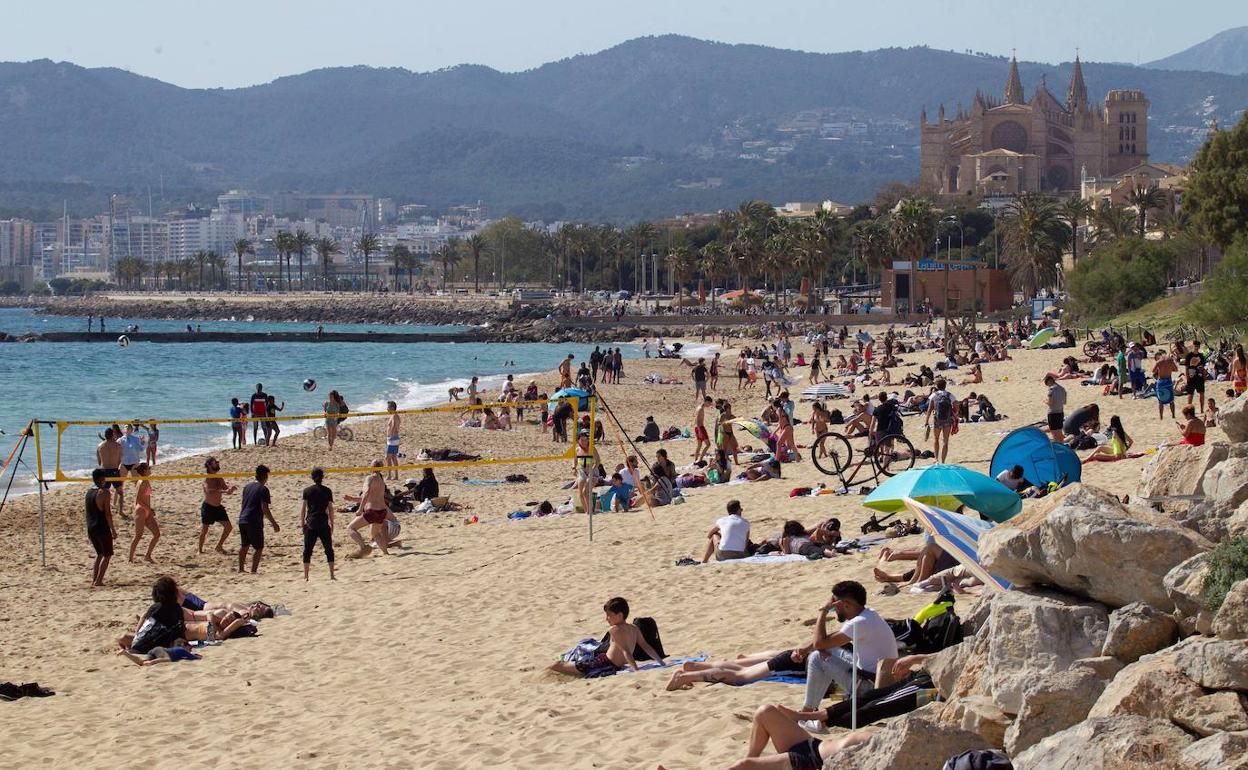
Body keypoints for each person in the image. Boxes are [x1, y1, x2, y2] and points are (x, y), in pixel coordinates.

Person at [799, 581, 899, 725]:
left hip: (870, 686)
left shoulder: (859, 622)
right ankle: (815, 706)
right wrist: (806, 648)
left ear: (845, 604)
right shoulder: (868, 614)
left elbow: (819, 644)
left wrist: (823, 611)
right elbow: (838, 635)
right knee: (827, 650)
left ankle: (806, 713)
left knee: (817, 657)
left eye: (835, 604)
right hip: (877, 677)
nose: (834, 609)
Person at [548, 597, 664, 677]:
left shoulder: (615, 630)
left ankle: (550, 668)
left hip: (603, 662)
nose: (606, 619)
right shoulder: (634, 628)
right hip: (608, 661)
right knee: (565, 666)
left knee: (557, 665)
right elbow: (646, 647)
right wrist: (660, 661)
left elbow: (626, 651)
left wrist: (636, 670)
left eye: (609, 616)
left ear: (619, 615)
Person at [723, 707, 872, 770]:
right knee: (764, 712)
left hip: (810, 763)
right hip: (812, 744)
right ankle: (753, 760)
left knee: (744, 765)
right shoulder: (885, 739)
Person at [237, 464, 280, 573]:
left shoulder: (247, 487)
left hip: (242, 518)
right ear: (265, 476)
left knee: (244, 545)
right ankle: (253, 571)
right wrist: (274, 523)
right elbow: (264, 508)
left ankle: (241, 569)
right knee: (259, 547)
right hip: (253, 520)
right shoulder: (263, 489)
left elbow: (243, 504)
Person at [300, 467, 336, 581]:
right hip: (323, 523)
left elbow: (303, 509)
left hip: (311, 523)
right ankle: (331, 575)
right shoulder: (327, 490)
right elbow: (330, 509)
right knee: (328, 549)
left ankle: (306, 576)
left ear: (312, 477)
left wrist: (302, 523)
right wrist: (332, 523)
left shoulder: (307, 490)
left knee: (307, 550)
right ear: (322, 477)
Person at [86, 468, 117, 587]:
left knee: (99, 554)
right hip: (101, 527)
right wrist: (113, 530)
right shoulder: (104, 492)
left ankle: (94, 579)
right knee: (107, 554)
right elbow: (108, 513)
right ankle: (98, 580)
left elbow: (88, 512)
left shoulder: (89, 492)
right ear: (101, 479)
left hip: (91, 527)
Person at [198, 457, 236, 554]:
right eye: (215, 463)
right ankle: (200, 550)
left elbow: (227, 490)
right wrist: (223, 491)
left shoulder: (219, 478)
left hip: (218, 507)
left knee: (228, 527)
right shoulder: (206, 479)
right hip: (208, 507)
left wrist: (230, 490)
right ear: (209, 466)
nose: (218, 464)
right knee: (204, 530)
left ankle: (219, 546)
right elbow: (209, 491)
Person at [127, 462, 159, 563]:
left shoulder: (145, 480)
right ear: (145, 471)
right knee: (138, 536)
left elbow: (145, 498)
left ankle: (148, 556)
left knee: (157, 534)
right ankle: (130, 558)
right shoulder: (142, 482)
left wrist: (150, 509)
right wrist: (148, 509)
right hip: (141, 511)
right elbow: (138, 500)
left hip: (146, 509)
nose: (150, 469)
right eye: (148, 468)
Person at [925, 379, 955, 463]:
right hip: (947, 420)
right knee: (945, 441)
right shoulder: (949, 395)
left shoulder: (934, 395)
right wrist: (954, 414)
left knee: (936, 439)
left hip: (937, 420)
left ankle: (936, 459)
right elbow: (956, 405)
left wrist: (926, 420)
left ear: (937, 387)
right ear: (945, 386)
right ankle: (943, 461)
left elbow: (930, 409)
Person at [574, 430, 600, 514]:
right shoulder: (577, 450)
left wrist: (592, 471)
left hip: (592, 471)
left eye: (586, 440)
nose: (584, 442)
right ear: (578, 440)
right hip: (582, 471)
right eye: (582, 440)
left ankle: (590, 511)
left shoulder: (592, 448)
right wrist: (573, 468)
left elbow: (598, 461)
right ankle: (587, 512)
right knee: (581, 493)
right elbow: (574, 460)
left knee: (586, 491)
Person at [1154, 350, 1179, 420]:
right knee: (1171, 401)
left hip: (1161, 382)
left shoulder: (1159, 362)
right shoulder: (1170, 361)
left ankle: (1161, 417)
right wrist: (1170, 369)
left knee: (1160, 401)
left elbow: (1153, 370)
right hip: (1168, 381)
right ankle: (1173, 415)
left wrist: (1159, 369)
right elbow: (1176, 369)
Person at [1184, 340, 1208, 412]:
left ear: (1199, 347)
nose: (1196, 348)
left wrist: (1204, 376)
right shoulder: (1189, 356)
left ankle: (1201, 409)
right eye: (1195, 346)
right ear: (1193, 346)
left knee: (1201, 393)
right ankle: (1189, 409)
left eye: (1197, 346)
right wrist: (1187, 377)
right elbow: (1186, 367)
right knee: (1190, 394)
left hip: (1199, 377)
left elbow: (1203, 367)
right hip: (1191, 377)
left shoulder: (1201, 356)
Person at [1044, 374, 1067, 442]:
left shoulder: (1051, 390)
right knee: (1060, 434)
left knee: (1054, 435)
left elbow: (1050, 402)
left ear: (1049, 382)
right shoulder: (1063, 389)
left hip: (1053, 413)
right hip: (1060, 413)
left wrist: (1046, 402)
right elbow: (1064, 402)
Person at [384, 400, 401, 481]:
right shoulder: (395, 415)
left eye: (388, 407)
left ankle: (389, 475)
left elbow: (394, 426)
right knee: (393, 457)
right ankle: (396, 476)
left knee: (388, 457)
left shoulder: (394, 416)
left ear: (392, 408)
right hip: (394, 438)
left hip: (392, 439)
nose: (387, 409)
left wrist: (391, 434)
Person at [692, 396, 713, 462]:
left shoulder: (699, 407)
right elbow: (698, 421)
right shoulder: (700, 409)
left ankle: (695, 460)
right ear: (706, 402)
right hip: (700, 428)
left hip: (697, 428)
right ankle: (700, 459)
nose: (709, 405)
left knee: (699, 445)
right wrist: (700, 431)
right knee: (708, 444)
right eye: (709, 403)